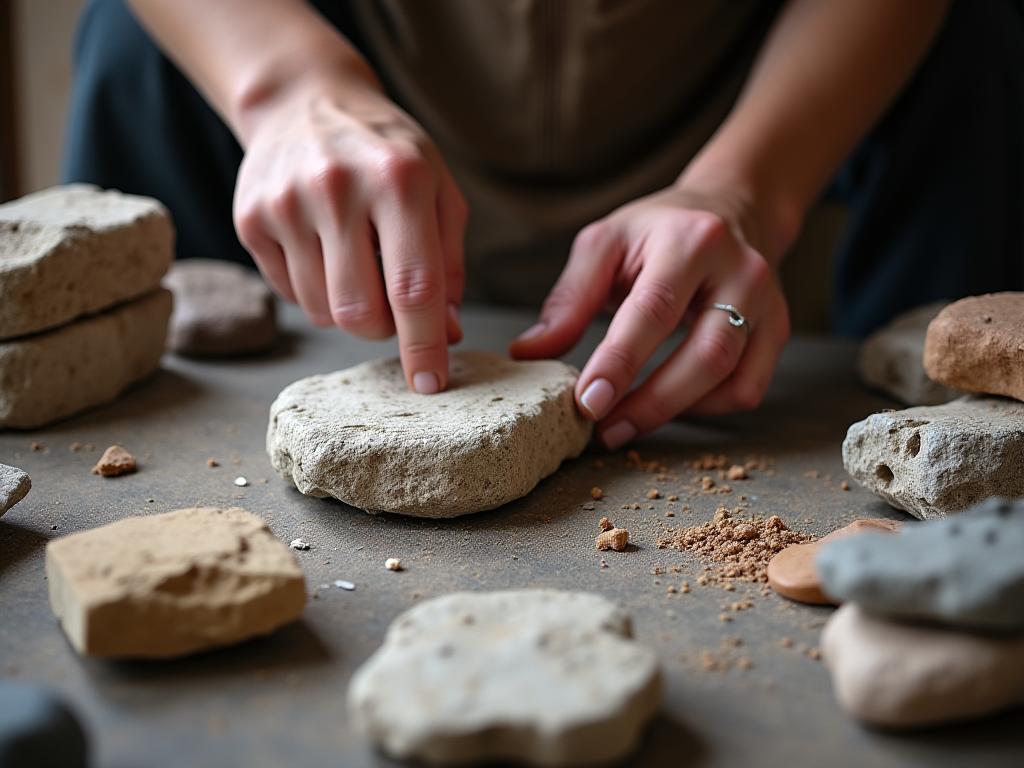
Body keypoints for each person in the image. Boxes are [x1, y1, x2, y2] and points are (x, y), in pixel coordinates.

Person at [64, 1, 1023, 449]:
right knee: (127, 41)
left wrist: (748, 190)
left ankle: (945, 484)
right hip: (347, 57)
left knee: (986, 39)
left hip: (737, 84)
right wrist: (281, 84)